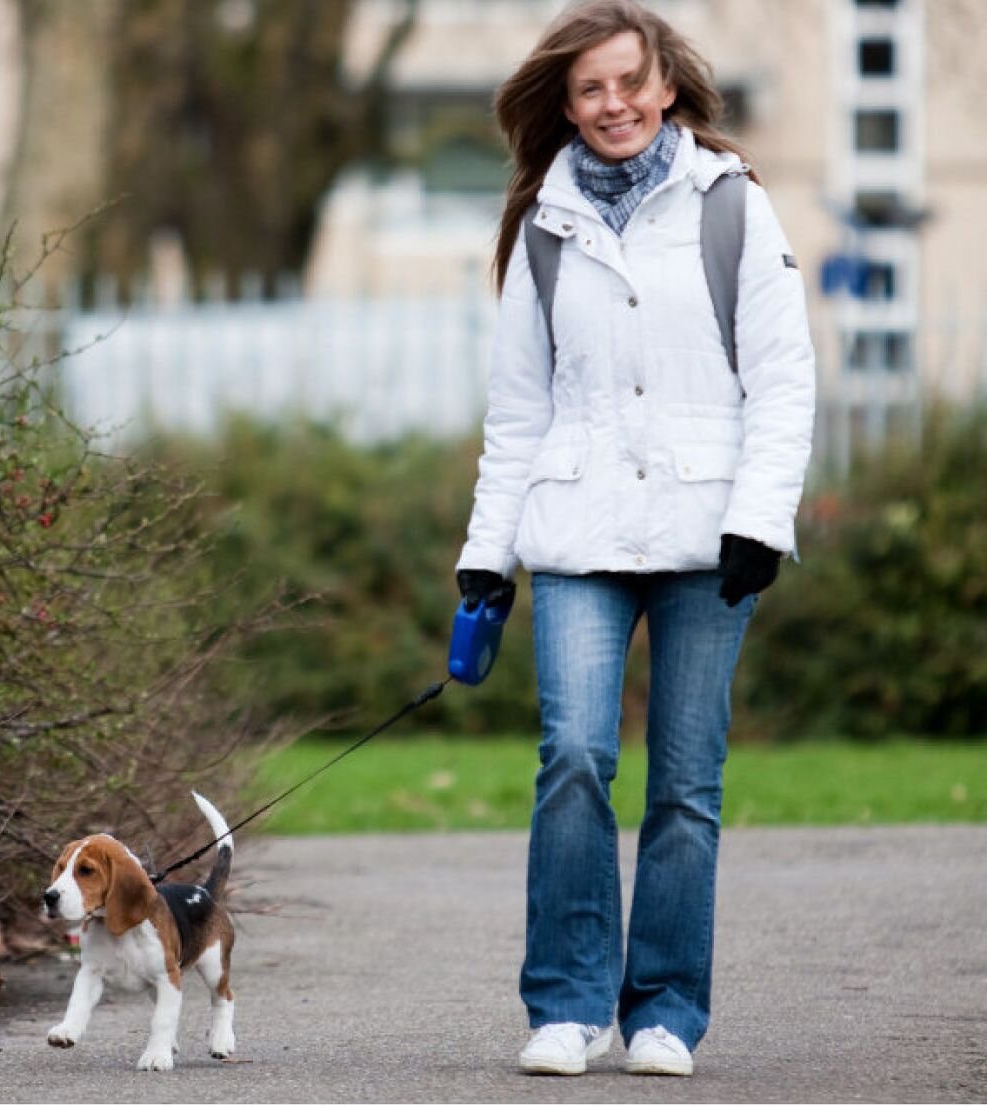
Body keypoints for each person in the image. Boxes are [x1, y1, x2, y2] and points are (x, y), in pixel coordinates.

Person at [453, 0, 815, 1078]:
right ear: (566, 104)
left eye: (628, 83)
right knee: (572, 757)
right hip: (576, 531)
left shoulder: (732, 207)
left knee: (688, 779)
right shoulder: (544, 229)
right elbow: (517, 411)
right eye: (590, 89)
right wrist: (488, 550)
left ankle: (664, 1010)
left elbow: (784, 383)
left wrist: (760, 519)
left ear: (667, 87)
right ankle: (566, 1002)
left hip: (711, 534)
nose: (612, 105)